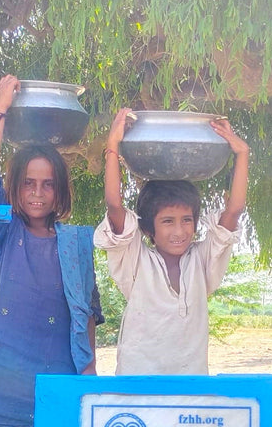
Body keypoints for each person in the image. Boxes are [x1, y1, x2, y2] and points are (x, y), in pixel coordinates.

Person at [0, 74, 103, 427]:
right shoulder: (6, 233)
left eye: (46, 185)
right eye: (28, 183)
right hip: (13, 376)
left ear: (60, 191)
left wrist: (89, 372)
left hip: (63, 377)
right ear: (15, 188)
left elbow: (87, 310)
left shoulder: (76, 242)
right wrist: (1, 110)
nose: (36, 193)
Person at [96, 108, 250, 375]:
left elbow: (233, 211)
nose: (179, 230)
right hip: (138, 386)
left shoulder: (202, 262)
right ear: (147, 228)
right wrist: (113, 148)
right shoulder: (136, 262)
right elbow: (114, 206)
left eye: (186, 220)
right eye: (168, 221)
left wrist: (242, 154)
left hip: (190, 386)